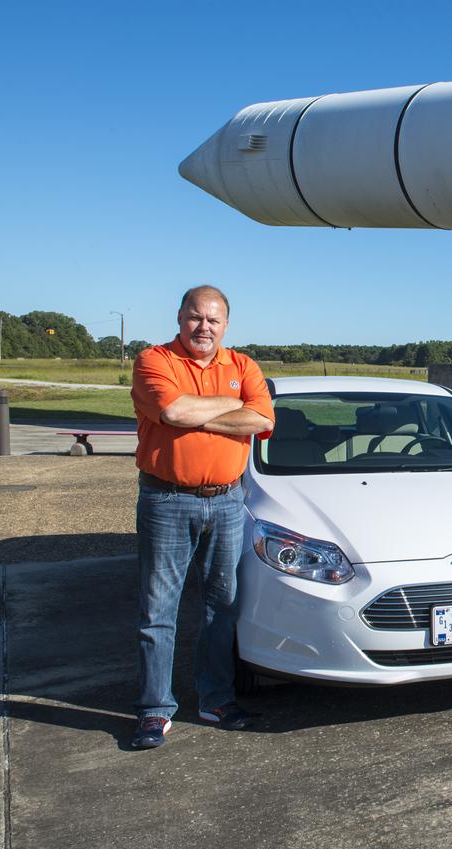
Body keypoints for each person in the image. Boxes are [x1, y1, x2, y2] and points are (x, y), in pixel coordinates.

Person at [128, 285, 275, 750]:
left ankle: (215, 699)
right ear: (179, 317)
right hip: (167, 500)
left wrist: (194, 416)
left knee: (222, 606)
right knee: (158, 610)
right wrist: (232, 407)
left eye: (213, 319)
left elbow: (263, 420)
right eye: (196, 317)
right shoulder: (154, 361)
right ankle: (155, 709)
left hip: (229, 502)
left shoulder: (243, 365)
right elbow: (171, 408)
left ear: (226, 325)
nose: (204, 327)